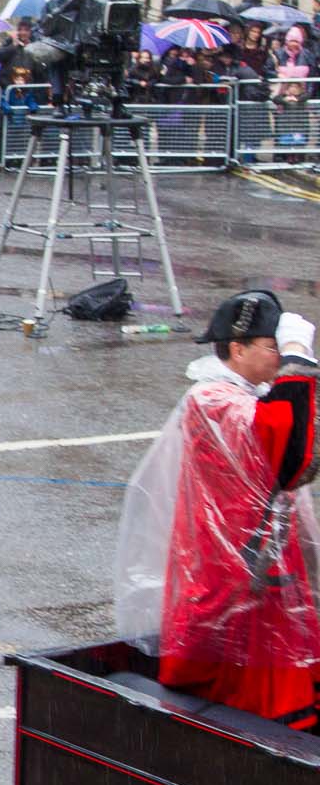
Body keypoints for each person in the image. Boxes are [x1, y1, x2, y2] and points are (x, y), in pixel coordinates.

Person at [117, 292, 320, 727]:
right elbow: (280, 451)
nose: (280, 356)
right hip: (230, 564)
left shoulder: (250, 395)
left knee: (265, 658)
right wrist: (300, 362)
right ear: (237, 349)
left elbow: (302, 452)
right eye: (274, 347)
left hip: (258, 558)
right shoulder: (212, 400)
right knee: (233, 664)